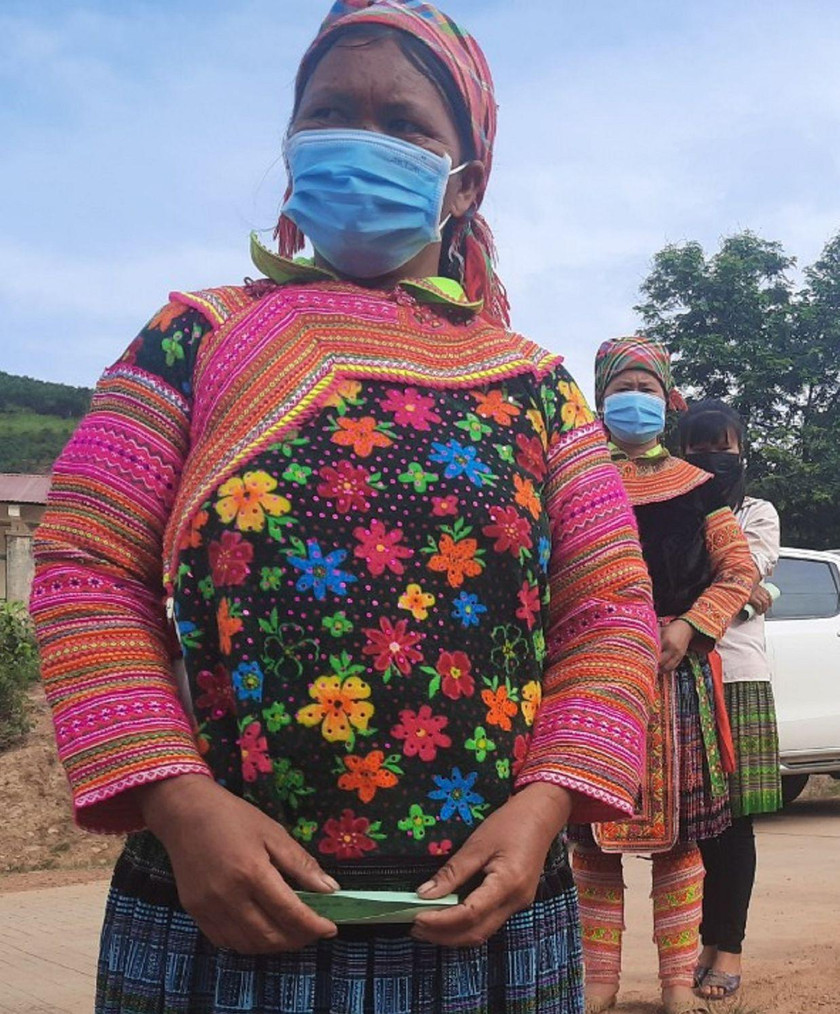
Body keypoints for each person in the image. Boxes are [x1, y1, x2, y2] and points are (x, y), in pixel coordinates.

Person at [29, 4, 660, 1012]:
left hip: (488, 917)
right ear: (290, 144)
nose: (362, 140)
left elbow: (610, 613)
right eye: (330, 111)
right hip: (219, 908)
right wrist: (176, 800)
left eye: (405, 124)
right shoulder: (193, 339)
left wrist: (548, 805)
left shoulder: (536, 387)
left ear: (466, 176)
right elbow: (83, 567)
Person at [572, 338, 759, 1014]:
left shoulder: (698, 487)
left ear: (668, 400)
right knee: (591, 836)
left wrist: (688, 627)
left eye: (648, 389)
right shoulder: (571, 477)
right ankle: (599, 982)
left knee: (679, 838)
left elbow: (739, 571)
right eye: (624, 387)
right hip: (592, 676)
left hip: (675, 676)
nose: (637, 400)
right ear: (599, 398)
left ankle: (677, 982)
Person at [675, 400, 781, 1002]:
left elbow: (741, 572)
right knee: (685, 823)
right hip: (673, 674)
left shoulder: (758, 512)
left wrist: (741, 592)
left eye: (725, 445)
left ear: (741, 449)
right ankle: (688, 947)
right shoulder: (662, 499)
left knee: (733, 822)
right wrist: (743, 593)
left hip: (736, 675)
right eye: (699, 447)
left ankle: (728, 946)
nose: (714, 458)